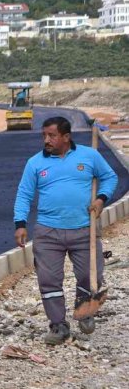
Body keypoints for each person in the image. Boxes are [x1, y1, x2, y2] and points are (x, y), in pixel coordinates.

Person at [13, 116, 117, 345]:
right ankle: (58, 325)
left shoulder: (89, 156)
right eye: (44, 136)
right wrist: (20, 223)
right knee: (48, 279)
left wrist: (101, 199)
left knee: (90, 275)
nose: (46, 140)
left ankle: (84, 308)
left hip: (83, 230)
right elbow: (24, 194)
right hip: (48, 232)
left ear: (66, 137)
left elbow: (110, 177)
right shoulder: (35, 163)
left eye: (52, 135)